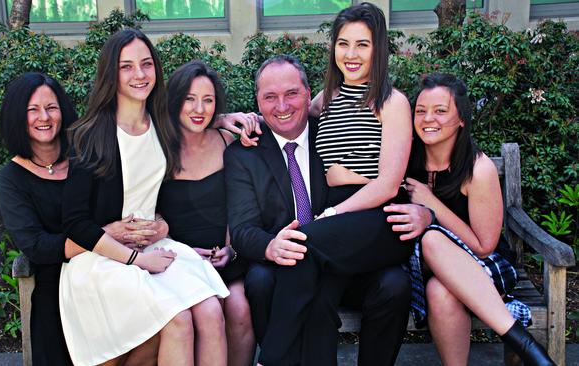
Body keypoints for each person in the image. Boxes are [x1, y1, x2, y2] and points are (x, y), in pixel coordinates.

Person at [233, 3, 419, 364]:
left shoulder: (392, 103)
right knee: (316, 296)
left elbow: (387, 184)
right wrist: (232, 120)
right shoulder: (327, 98)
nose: (351, 54)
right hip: (337, 230)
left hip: (378, 219)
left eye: (362, 44)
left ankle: (269, 358)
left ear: (378, 48)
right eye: (343, 43)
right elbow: (285, 113)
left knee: (304, 242)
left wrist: (332, 211)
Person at [59, 29, 231, 366]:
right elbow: (74, 222)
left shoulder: (161, 125)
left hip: (152, 246)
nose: (139, 74)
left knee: (211, 310)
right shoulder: (90, 135)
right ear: (112, 73)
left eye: (146, 64)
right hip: (102, 260)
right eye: (127, 66)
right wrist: (136, 260)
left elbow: (200, 120)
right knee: (178, 319)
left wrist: (233, 117)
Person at [0, 72, 163, 365]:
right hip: (57, 281)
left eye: (51, 107)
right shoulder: (10, 178)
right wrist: (102, 234)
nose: (43, 117)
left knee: (160, 325)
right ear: (16, 117)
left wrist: (218, 122)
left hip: (112, 265)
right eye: (32, 110)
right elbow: (37, 246)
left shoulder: (86, 151)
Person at [405, 73, 554, 366]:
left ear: (461, 118)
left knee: (433, 239)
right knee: (438, 288)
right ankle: (529, 350)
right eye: (420, 111)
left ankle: (524, 345)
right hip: (425, 270)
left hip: (485, 267)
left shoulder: (478, 168)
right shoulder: (407, 157)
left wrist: (430, 206)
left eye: (440, 110)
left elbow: (484, 246)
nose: (427, 119)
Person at [157, 60, 256, 366]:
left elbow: (237, 204)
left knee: (240, 308)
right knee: (208, 308)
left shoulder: (228, 141)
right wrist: (181, 251)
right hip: (179, 260)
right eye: (190, 99)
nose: (199, 108)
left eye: (208, 100)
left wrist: (229, 248)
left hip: (225, 255)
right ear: (175, 101)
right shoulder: (159, 146)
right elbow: (151, 211)